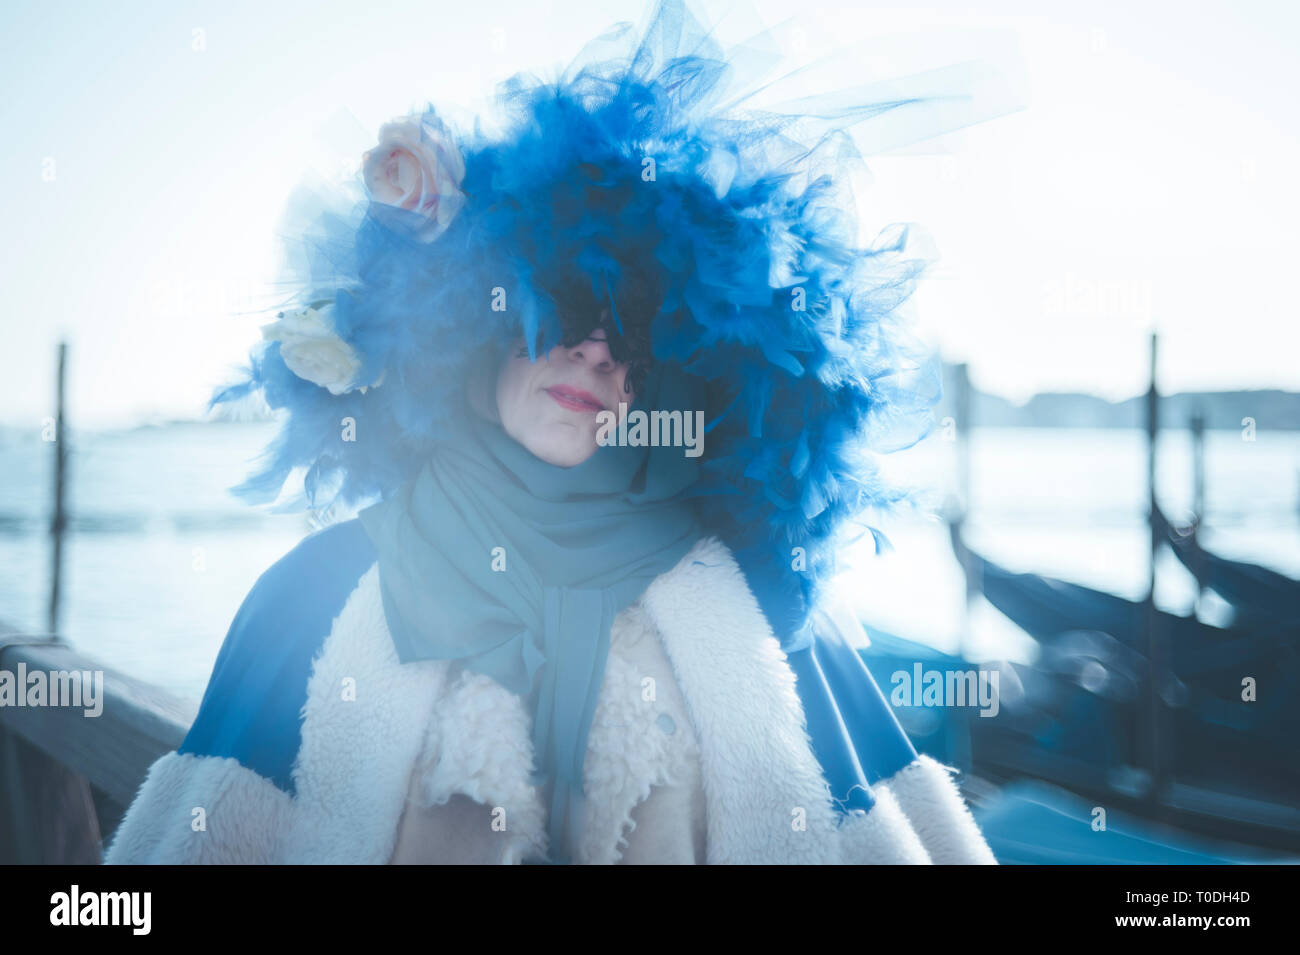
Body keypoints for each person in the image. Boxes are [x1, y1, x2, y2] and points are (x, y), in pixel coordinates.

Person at [104, 0, 998, 865]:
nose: (599, 354)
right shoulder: (317, 591)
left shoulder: (748, 605)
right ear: (474, 328)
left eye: (639, 330)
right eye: (565, 307)